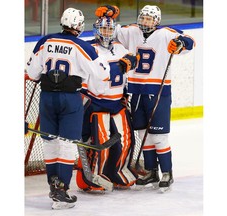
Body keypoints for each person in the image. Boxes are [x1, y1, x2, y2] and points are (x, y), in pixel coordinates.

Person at [95, 5, 195, 192]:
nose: (145, 22)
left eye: (150, 19)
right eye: (143, 18)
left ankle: (167, 172)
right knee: (143, 135)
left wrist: (181, 43)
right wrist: (108, 13)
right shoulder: (131, 31)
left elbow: (189, 40)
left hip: (158, 92)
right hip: (136, 91)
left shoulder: (166, 34)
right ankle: (151, 171)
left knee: (159, 137)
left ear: (156, 21)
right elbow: (109, 29)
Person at [25, 7, 114, 209]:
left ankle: (53, 184)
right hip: (70, 99)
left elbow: (32, 72)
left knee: (49, 141)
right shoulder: (81, 46)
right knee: (66, 143)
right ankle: (62, 189)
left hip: (47, 97)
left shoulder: (45, 41)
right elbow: (102, 73)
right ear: (79, 26)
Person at [76, 16, 139, 192]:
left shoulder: (120, 48)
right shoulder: (89, 48)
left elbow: (132, 63)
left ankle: (118, 171)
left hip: (118, 102)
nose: (106, 33)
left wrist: (133, 60)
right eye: (103, 29)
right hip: (97, 103)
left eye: (110, 29)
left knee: (126, 140)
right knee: (100, 142)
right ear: (96, 30)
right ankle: (95, 175)